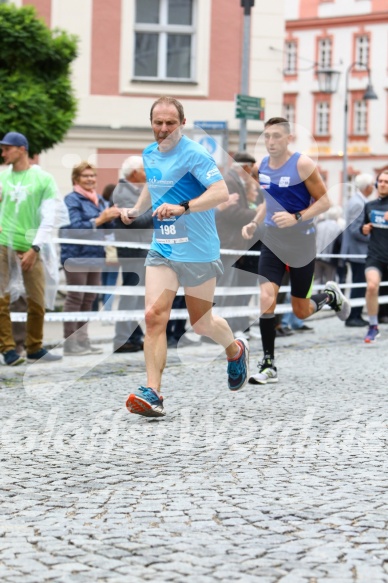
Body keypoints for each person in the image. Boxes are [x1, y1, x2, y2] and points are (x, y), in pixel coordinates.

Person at [120, 96, 249, 418]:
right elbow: (154, 184)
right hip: (163, 246)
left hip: (198, 249)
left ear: (182, 122)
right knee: (153, 316)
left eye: (170, 123)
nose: (163, 129)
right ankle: (153, 392)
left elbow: (220, 193)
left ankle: (234, 350)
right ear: (151, 122)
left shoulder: (194, 153)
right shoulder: (149, 154)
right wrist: (137, 210)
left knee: (202, 323)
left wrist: (184, 207)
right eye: (158, 123)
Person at [242, 117, 350, 384]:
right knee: (266, 297)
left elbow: (325, 201)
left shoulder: (302, 164)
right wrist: (254, 222)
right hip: (272, 241)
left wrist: (297, 217)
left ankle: (328, 296)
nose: (270, 142)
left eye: (276, 136)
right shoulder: (261, 166)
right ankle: (268, 364)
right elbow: (269, 201)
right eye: (266, 136)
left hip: (301, 242)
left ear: (288, 138)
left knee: (300, 310)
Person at [0, 131, 62, 365]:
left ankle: (34, 346)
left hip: (31, 246)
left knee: (37, 299)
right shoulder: (2, 179)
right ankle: (7, 349)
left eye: (7, 148)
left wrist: (34, 248)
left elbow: (48, 217)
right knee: (2, 299)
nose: (3, 153)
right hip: (3, 245)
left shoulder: (43, 179)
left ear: (21, 149)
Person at [60, 161, 121, 355]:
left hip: (96, 254)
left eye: (93, 176)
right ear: (76, 179)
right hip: (76, 256)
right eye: (86, 176)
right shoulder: (71, 200)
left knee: (89, 299)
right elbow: (74, 228)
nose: (90, 179)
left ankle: (83, 341)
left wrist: (113, 217)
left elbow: (107, 229)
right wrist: (100, 219)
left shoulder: (99, 200)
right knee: (75, 298)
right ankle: (70, 344)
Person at [215, 151, 260, 338]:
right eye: (251, 169)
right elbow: (231, 214)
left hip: (232, 244)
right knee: (224, 290)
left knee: (230, 290)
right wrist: (258, 214)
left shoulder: (234, 181)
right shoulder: (230, 182)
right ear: (246, 167)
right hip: (227, 243)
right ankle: (217, 331)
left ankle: (227, 329)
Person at [112, 156, 153, 353]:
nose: (148, 173)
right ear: (134, 173)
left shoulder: (135, 191)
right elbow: (135, 220)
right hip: (132, 251)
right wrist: (156, 209)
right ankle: (122, 338)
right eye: (145, 170)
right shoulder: (122, 191)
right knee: (130, 296)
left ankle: (134, 337)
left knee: (137, 297)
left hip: (141, 249)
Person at [341, 173, 374, 327]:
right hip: (358, 251)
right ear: (367, 187)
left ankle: (356, 314)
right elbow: (355, 229)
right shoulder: (358, 203)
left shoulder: (358, 201)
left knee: (359, 283)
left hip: (358, 250)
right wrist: (373, 238)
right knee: (358, 284)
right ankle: (353, 316)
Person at [361, 169, 388, 343]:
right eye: (381, 181)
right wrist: (364, 229)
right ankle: (373, 326)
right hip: (375, 255)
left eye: (387, 181)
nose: (383, 184)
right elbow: (363, 226)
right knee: (372, 286)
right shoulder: (369, 205)